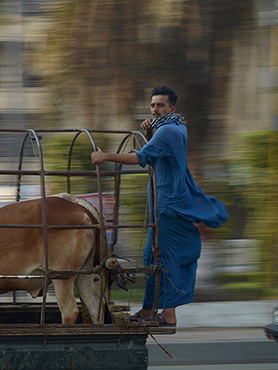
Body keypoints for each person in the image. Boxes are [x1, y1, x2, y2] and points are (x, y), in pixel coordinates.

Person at [91, 85, 228, 325]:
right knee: (153, 257)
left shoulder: (167, 132)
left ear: (171, 108)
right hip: (168, 203)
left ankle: (167, 314)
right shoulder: (178, 127)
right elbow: (160, 154)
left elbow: (140, 158)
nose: (155, 109)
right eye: (153, 105)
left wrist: (106, 157)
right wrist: (153, 132)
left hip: (168, 206)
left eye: (160, 105)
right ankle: (148, 312)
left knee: (160, 259)